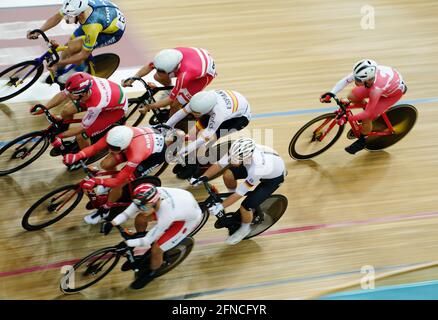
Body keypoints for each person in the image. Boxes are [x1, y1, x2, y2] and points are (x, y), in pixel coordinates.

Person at [63, 125, 183, 224]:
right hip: (137, 141)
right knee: (106, 163)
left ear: (123, 146)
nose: (109, 150)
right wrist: (76, 156)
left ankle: (106, 209)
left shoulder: (136, 155)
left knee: (120, 183)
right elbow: (95, 148)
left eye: (113, 148)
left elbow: (118, 182)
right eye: (109, 146)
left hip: (153, 155)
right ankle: (107, 186)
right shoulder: (116, 133)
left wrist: (97, 181)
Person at [101, 183, 203, 289]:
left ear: (154, 202)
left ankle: (151, 274)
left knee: (156, 249)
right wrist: (112, 223)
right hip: (180, 204)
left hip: (186, 221)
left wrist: (127, 243)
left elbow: (148, 240)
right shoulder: (146, 194)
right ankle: (137, 250)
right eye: (139, 206)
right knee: (141, 218)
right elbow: (127, 213)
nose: (141, 208)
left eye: (144, 207)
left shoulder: (166, 213)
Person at [190, 138, 286, 245]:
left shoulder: (258, 167)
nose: (232, 161)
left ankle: (245, 229)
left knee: (246, 207)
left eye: (236, 159)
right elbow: (220, 164)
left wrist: (221, 206)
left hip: (273, 178)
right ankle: (230, 195)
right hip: (252, 164)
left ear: (246, 156)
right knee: (228, 174)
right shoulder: (238, 149)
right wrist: (203, 177)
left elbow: (241, 192)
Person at [30, 72, 128, 162]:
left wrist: (57, 136)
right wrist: (44, 108)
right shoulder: (83, 82)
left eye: (73, 94)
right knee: (66, 111)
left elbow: (80, 129)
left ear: (83, 93)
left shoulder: (95, 105)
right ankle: (63, 130)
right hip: (106, 96)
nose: (70, 95)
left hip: (114, 110)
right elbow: (63, 94)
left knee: (81, 136)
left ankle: (86, 157)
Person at [320, 59, 407, 154]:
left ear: (368, 79)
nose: (355, 81)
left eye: (358, 80)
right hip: (382, 85)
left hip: (391, 95)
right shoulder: (365, 72)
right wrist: (331, 93)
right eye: (356, 78)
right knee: (351, 96)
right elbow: (345, 81)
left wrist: (348, 119)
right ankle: (369, 110)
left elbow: (367, 114)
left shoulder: (376, 89)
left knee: (367, 117)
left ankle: (362, 141)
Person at [27, 0, 126, 82]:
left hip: (112, 33)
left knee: (76, 47)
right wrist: (39, 32)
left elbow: (84, 54)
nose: (66, 19)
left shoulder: (92, 26)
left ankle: (79, 71)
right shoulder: (74, 5)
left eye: (69, 16)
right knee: (69, 44)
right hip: (103, 16)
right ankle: (58, 71)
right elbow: (57, 17)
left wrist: (58, 63)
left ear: (80, 14)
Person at [165, 90, 251, 178]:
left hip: (239, 119)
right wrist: (165, 126)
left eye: (197, 114)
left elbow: (203, 139)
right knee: (194, 132)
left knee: (209, 139)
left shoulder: (219, 114)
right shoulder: (198, 100)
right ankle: (189, 158)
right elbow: (182, 112)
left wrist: (183, 151)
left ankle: (194, 164)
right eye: (193, 112)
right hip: (229, 104)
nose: (194, 115)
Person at [122, 47, 217, 116]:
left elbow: (171, 100)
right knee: (157, 77)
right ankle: (170, 91)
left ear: (173, 68)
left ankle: (170, 129)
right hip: (195, 57)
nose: (158, 71)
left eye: (163, 71)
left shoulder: (184, 76)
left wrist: (149, 107)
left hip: (204, 75)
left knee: (175, 104)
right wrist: (131, 80)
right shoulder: (167, 57)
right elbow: (149, 66)